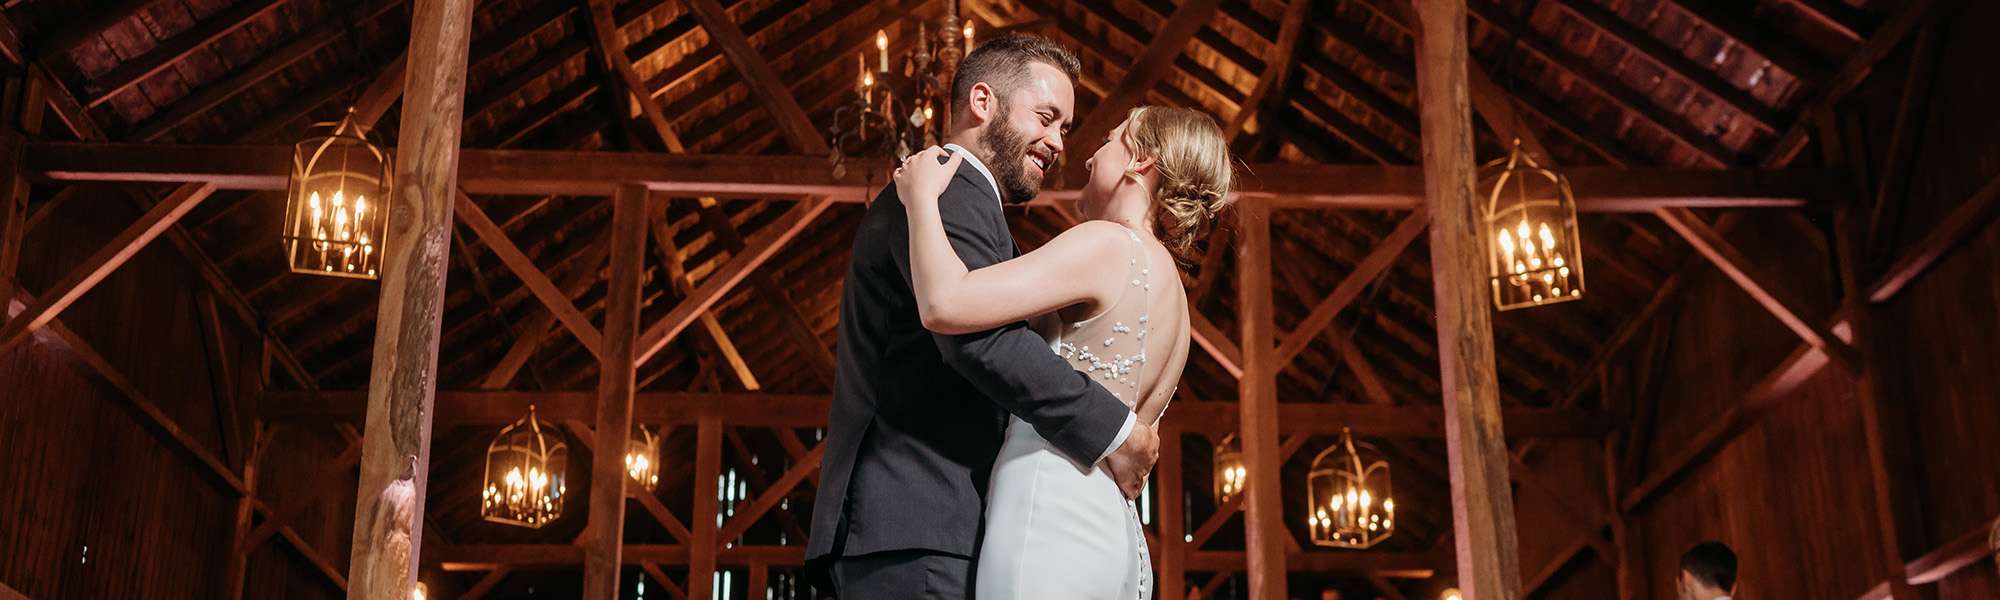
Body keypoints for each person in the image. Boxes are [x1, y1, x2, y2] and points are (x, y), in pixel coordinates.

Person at [806, 34, 1165, 600]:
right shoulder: (950, 190)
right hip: (917, 518)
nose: (1058, 143)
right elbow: (981, 341)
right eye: (1046, 118)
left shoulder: (964, 198)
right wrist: (1114, 431)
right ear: (982, 102)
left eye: (1065, 128)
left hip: (925, 524)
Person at [892, 81, 1232, 600]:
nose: (1090, 156)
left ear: (1141, 162)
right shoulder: (1177, 301)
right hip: (1115, 534)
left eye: (1111, 140)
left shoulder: (1107, 243)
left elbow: (945, 303)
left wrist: (919, 199)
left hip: (1047, 514)